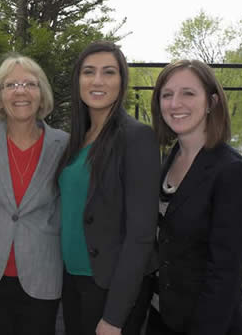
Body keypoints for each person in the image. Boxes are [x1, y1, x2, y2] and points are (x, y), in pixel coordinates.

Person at [55, 41, 160, 335]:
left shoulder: (137, 138)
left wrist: (114, 317)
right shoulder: (78, 137)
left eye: (108, 72)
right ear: (78, 80)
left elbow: (140, 236)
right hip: (74, 281)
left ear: (122, 81)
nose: (97, 81)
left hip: (111, 288)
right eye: (89, 72)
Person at [146, 60, 242, 335]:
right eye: (167, 94)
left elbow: (225, 274)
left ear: (212, 101)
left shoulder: (231, 171)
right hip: (162, 317)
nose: (175, 103)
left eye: (188, 93)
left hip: (206, 324)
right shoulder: (168, 160)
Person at [0, 54, 68, 335]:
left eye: (29, 84)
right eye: (11, 85)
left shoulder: (64, 144)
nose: (20, 91)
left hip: (41, 276)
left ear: (41, 94)